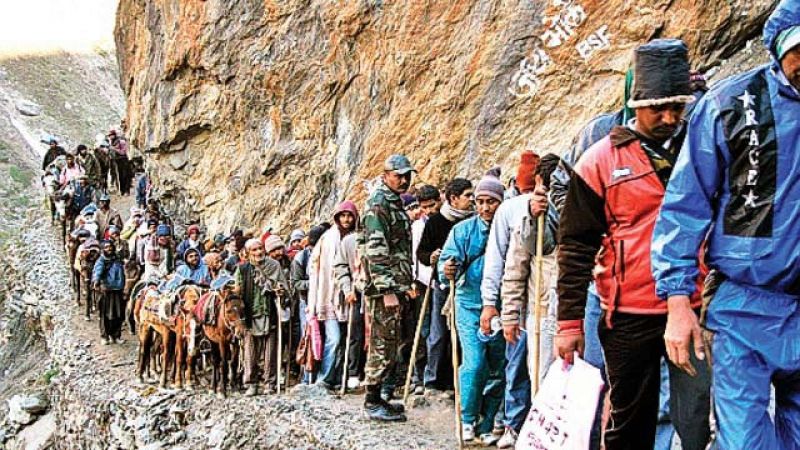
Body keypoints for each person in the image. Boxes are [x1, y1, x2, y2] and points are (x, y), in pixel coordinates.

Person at [652, 2, 800, 447]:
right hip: (743, 307)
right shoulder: (729, 105)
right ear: (779, 48)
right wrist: (678, 302)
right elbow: (684, 208)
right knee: (745, 442)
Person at [556, 39, 711, 450]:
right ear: (636, 103)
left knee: (696, 418)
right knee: (629, 421)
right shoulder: (599, 160)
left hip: (693, 305)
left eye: (677, 106)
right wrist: (569, 324)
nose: (669, 117)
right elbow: (575, 247)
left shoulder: (702, 149)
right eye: (658, 107)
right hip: (627, 313)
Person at [496, 154, 560, 449]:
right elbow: (514, 269)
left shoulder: (578, 211)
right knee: (543, 385)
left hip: (575, 311)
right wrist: (509, 315)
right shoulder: (529, 219)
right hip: (542, 313)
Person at [438, 169, 506, 445]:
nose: (485, 207)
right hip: (468, 304)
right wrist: (447, 269)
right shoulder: (462, 231)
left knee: (497, 367)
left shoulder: (508, 229)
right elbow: (445, 266)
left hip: (501, 306)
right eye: (480, 202)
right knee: (475, 363)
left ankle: (486, 423)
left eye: (491, 201)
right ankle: (467, 418)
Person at [358, 154, 416, 422]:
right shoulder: (379, 204)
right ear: (386, 176)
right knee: (382, 343)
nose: (404, 180)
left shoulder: (393, 202)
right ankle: (371, 401)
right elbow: (375, 250)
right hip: (384, 289)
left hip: (396, 283)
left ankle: (380, 396)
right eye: (398, 176)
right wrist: (387, 290)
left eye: (407, 176)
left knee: (391, 341)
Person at [416, 178, 474, 395]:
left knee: (462, 334)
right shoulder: (436, 222)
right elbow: (421, 253)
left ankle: (454, 381)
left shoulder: (474, 220)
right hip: (442, 285)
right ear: (453, 199)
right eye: (467, 195)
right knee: (438, 333)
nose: (472, 199)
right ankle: (432, 380)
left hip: (467, 285)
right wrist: (431, 257)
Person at [308, 201, 359, 390]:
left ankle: (340, 377)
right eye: (343, 216)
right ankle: (325, 377)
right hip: (328, 295)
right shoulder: (327, 239)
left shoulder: (358, 237)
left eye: (350, 216)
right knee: (334, 338)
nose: (346, 219)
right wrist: (313, 301)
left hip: (351, 295)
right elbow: (316, 269)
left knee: (349, 339)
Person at [234, 239, 289, 396]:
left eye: (260, 249)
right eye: (254, 250)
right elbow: (237, 291)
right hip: (250, 314)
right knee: (250, 351)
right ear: (248, 253)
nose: (258, 252)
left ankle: (269, 383)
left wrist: (281, 292)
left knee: (270, 351)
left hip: (270, 312)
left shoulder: (274, 266)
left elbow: (284, 288)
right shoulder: (243, 269)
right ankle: (251, 383)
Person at [406, 184, 441, 395]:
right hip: (422, 282)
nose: (428, 210)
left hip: (440, 281)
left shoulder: (444, 222)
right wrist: (412, 281)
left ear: (440, 200)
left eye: (432, 205)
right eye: (424, 207)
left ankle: (434, 377)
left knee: (437, 333)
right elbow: (413, 255)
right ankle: (418, 375)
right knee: (422, 330)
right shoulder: (418, 227)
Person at [292, 224, 327, 383]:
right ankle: (307, 377)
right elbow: (296, 283)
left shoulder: (329, 255)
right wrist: (315, 282)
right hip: (306, 303)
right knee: (308, 337)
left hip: (326, 301)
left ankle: (322, 375)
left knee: (325, 337)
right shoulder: (301, 258)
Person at [333, 223, 366, 389]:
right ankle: (353, 372)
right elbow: (340, 267)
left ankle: (372, 372)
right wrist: (347, 290)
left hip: (378, 291)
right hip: (356, 292)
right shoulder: (349, 241)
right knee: (355, 333)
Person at [92, 240, 127, 345]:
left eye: (110, 247)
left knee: (118, 314)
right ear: (103, 249)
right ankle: (105, 336)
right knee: (105, 314)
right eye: (106, 247)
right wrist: (96, 281)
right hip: (106, 291)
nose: (109, 249)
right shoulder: (101, 260)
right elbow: (97, 271)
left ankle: (116, 336)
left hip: (118, 290)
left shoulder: (117, 259)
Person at [108, 129, 132, 195]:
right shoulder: (111, 142)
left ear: (114, 135)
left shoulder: (121, 141)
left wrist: (115, 149)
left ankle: (127, 191)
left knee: (125, 176)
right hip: (116, 161)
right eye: (109, 136)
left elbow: (123, 152)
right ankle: (122, 190)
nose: (110, 137)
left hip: (123, 160)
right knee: (120, 176)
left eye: (111, 135)